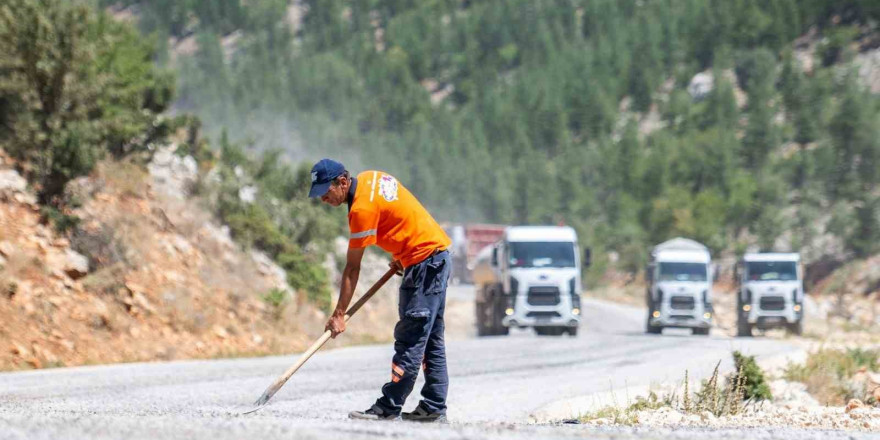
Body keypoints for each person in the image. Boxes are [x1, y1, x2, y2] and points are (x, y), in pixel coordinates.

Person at [309, 158, 452, 422]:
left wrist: (339, 314)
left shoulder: (360, 210)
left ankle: (388, 407)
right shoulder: (371, 178)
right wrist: (404, 251)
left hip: (424, 263)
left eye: (326, 192)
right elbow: (400, 213)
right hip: (435, 256)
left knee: (411, 337)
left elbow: (352, 269)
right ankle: (433, 407)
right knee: (430, 338)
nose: (323, 200)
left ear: (342, 182)